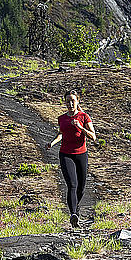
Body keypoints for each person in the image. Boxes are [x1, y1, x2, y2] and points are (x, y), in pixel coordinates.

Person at [46, 90, 96, 228]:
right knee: (72, 185)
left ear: (77, 101)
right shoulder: (62, 118)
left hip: (81, 154)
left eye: (72, 100)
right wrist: (52, 143)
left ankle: (76, 208)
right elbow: (61, 134)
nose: (70, 103)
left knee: (81, 187)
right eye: (67, 101)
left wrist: (80, 127)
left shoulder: (84, 117)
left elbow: (93, 136)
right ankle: (73, 213)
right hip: (65, 154)